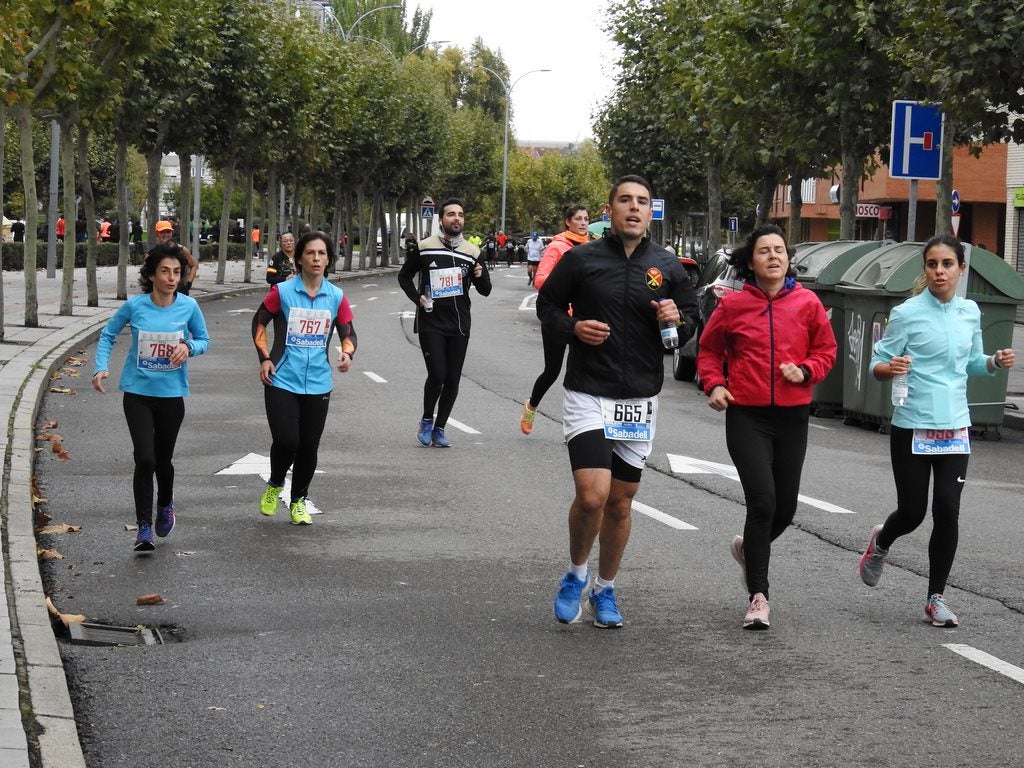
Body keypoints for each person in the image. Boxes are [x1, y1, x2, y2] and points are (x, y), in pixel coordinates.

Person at [538, 175, 698, 628]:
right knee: (592, 496)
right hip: (589, 389)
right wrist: (574, 329)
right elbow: (547, 306)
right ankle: (575, 574)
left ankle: (604, 591)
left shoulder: (667, 266)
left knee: (621, 503)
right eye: (624, 201)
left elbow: (689, 323)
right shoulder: (582, 259)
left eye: (642, 202)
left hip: (640, 399)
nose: (633, 208)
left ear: (651, 212)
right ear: (609, 210)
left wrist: (677, 319)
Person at [858, 234, 1014, 628]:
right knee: (913, 512)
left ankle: (935, 598)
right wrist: (888, 368)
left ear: (961, 269)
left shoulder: (970, 312)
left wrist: (993, 362)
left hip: (955, 426)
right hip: (912, 425)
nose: (939, 271)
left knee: (947, 508)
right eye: (932, 264)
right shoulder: (907, 313)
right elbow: (878, 362)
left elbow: (972, 363)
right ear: (924, 269)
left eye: (947, 264)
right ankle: (882, 541)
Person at [696, 223, 837, 630]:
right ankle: (759, 596)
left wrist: (807, 370)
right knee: (763, 502)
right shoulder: (734, 305)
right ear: (751, 261)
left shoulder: (807, 303)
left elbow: (826, 351)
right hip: (747, 415)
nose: (774, 256)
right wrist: (715, 383)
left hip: (792, 416)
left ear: (788, 259)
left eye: (780, 250)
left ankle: (748, 550)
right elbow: (708, 350)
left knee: (786, 508)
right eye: (764, 251)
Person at [91, 243, 210, 553]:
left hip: (172, 396)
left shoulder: (188, 307)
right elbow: (107, 335)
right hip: (138, 394)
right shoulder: (136, 306)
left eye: (177, 272)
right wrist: (100, 367)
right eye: (165, 272)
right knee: (145, 458)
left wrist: (189, 347)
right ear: (152, 276)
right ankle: (144, 527)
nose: (172, 278)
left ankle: (166, 503)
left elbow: (204, 341)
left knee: (163, 460)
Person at [252, 230, 356, 525]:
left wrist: (348, 353)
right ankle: (274, 485)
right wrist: (265, 358)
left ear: (329, 260)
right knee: (287, 440)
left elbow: (348, 332)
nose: (316, 258)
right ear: (299, 258)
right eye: (310, 252)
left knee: (309, 444)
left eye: (322, 253)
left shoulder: (335, 296)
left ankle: (298, 500)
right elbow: (259, 322)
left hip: (319, 382)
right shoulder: (283, 292)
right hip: (282, 378)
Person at [397, 198, 491, 448]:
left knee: (453, 379)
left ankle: (440, 428)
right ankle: (427, 420)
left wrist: (480, 276)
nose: (456, 219)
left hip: (459, 324)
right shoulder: (426, 247)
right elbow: (404, 276)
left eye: (460, 215)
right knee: (437, 374)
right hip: (432, 322)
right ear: (441, 219)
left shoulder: (472, 252)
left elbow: (486, 290)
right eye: (451, 214)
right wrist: (417, 298)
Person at [520, 205, 590, 435]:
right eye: (578, 219)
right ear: (568, 222)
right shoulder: (557, 247)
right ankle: (532, 405)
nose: (582, 223)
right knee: (552, 370)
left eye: (586, 219)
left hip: (583, 318)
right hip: (558, 317)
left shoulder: (592, 249)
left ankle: (578, 425)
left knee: (581, 372)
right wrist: (566, 281)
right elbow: (540, 280)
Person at [153, 220, 198, 295]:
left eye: (168, 232)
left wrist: (188, 285)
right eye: (162, 232)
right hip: (159, 292)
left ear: (171, 233)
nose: (165, 235)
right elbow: (146, 273)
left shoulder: (182, 250)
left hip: (179, 290)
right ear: (157, 234)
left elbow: (194, 266)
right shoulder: (152, 253)